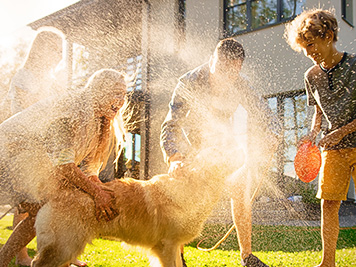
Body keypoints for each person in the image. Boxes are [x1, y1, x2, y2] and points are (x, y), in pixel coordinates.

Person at [160, 38, 280, 267]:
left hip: (223, 142)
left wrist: (272, 134)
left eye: (233, 72)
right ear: (212, 60)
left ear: (239, 67)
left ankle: (248, 257)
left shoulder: (241, 84)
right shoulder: (190, 81)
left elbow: (266, 113)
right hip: (190, 146)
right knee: (184, 196)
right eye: (223, 70)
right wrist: (175, 157)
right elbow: (171, 124)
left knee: (240, 187)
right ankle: (178, 256)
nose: (228, 77)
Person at [0, 69, 127, 267]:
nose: (121, 100)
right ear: (99, 90)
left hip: (30, 158)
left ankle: (11, 258)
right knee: (44, 206)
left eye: (124, 94)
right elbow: (64, 165)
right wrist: (96, 193)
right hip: (9, 152)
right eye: (116, 92)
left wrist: (101, 191)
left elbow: (90, 169)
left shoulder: (101, 121)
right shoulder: (72, 109)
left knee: (43, 208)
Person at [0, 26, 88, 267]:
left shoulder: (51, 81)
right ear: (41, 49)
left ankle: (52, 254)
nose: (60, 55)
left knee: (41, 203)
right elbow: (30, 111)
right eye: (55, 49)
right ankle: (22, 257)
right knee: (33, 204)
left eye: (61, 50)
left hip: (42, 148)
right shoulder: (24, 76)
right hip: (23, 148)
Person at [284, 8, 356, 267]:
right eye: (304, 47)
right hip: (332, 148)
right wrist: (311, 134)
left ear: (328, 35)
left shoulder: (354, 65)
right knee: (328, 204)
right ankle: (328, 263)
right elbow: (318, 112)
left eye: (311, 44)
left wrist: (341, 132)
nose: (307, 52)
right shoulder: (311, 76)